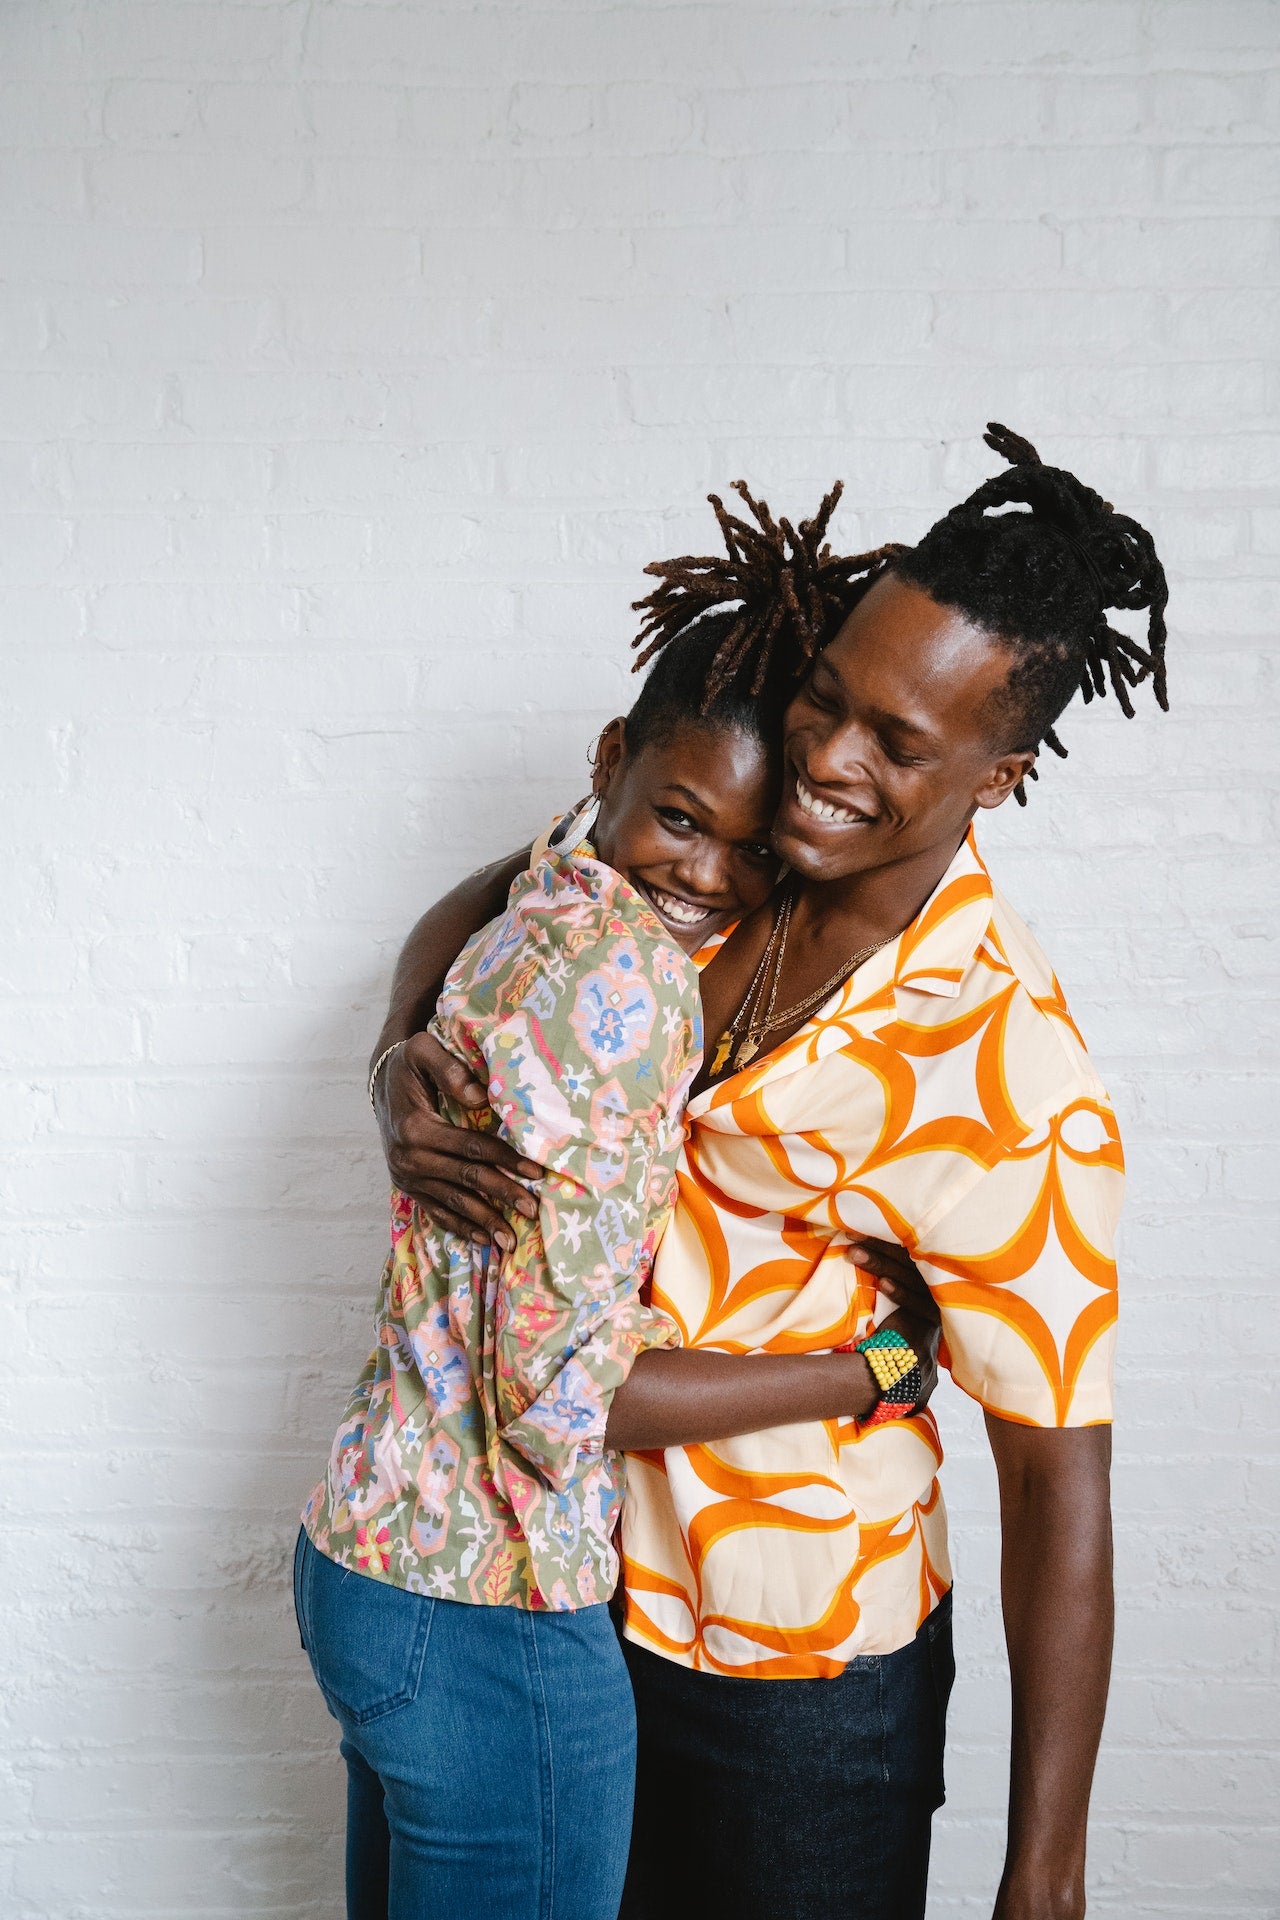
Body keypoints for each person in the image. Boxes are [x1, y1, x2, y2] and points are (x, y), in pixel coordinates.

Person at [374, 427, 1171, 1920]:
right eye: (830, 697)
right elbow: (502, 897)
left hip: (805, 1677)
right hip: (572, 1584)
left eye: (899, 744)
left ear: (998, 779)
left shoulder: (1009, 1067)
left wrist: (1046, 1869)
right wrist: (396, 1064)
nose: (828, 757)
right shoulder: (720, 839)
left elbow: (1059, 1472)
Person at [296, 518, 943, 1920]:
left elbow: (472, 896)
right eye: (680, 821)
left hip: (370, 1553)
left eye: (747, 851)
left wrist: (400, 1043)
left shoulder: (552, 890)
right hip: (491, 1608)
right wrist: (870, 1371)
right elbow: (571, 1394)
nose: (705, 877)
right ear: (611, 762)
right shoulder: (633, 996)